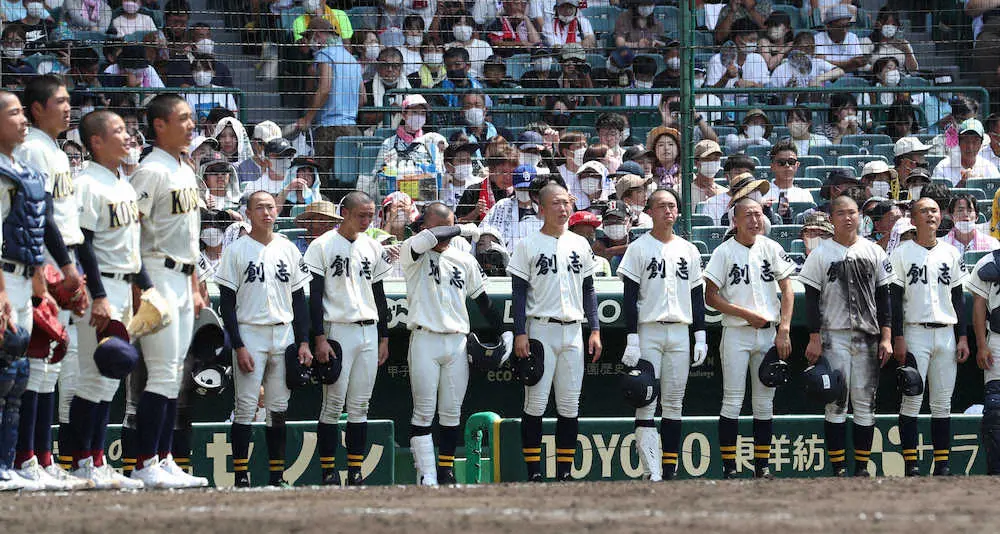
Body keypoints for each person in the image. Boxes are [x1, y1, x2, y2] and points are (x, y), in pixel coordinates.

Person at [64, 110, 156, 490]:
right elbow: (81, 241)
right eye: (118, 130)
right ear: (96, 141)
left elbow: (130, 246)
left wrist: (146, 288)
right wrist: (98, 295)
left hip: (122, 286)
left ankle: (97, 461)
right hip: (100, 289)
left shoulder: (122, 182)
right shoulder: (86, 182)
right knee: (93, 377)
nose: (128, 135)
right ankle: (83, 461)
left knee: (110, 379)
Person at [0, 89, 81, 491]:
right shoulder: (25, 157)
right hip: (18, 271)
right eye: (12, 112)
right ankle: (18, 458)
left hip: (35, 269)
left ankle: (26, 460)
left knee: (32, 371)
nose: (68, 108)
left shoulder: (40, 158)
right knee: (18, 371)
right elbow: (19, 225)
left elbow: (46, 222)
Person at [126, 94, 205, 487]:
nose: (191, 124)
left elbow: (189, 235)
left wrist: (194, 285)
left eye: (191, 119)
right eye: (184, 118)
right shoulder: (150, 171)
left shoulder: (184, 168)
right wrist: (142, 289)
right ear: (160, 125)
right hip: (156, 272)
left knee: (174, 375)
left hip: (182, 274)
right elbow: (130, 231)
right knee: (159, 373)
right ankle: (145, 461)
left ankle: (165, 457)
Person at [401, 203, 510, 485]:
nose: (446, 235)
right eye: (441, 227)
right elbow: (429, 239)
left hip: (457, 342)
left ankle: (446, 471)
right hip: (425, 338)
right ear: (425, 226)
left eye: (449, 226)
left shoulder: (463, 259)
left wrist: (506, 332)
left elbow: (483, 301)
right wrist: (463, 226)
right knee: (423, 411)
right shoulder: (412, 251)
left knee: (451, 412)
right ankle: (426, 474)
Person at [217, 191, 311, 487]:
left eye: (270, 207)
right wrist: (238, 344)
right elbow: (226, 303)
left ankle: (276, 475)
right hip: (250, 332)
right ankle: (242, 476)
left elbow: (300, 300)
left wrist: (304, 341)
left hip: (283, 332)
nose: (267, 213)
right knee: (245, 406)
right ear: (248, 213)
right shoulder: (236, 250)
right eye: (260, 208)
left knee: (278, 408)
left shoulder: (288, 248)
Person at [508, 183, 601, 482]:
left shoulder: (580, 244)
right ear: (542, 208)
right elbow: (518, 293)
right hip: (541, 329)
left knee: (569, 404)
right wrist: (520, 332)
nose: (563, 208)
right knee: (535, 403)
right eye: (557, 203)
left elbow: (589, 289)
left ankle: (564, 472)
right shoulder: (528, 244)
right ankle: (534, 472)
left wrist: (595, 329)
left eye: (567, 203)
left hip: (574, 330)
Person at [799, 195, 894, 477]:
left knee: (865, 403)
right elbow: (811, 299)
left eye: (852, 212)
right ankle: (839, 468)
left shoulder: (874, 251)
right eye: (841, 213)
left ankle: (862, 468)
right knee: (835, 402)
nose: (848, 218)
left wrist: (887, 336)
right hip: (834, 335)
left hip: (867, 336)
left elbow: (885, 296)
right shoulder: (820, 253)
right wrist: (814, 337)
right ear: (832, 219)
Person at [618, 188, 707, 481]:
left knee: (673, 403)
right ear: (650, 211)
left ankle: (669, 470)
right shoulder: (639, 248)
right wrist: (631, 336)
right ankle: (650, 471)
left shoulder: (688, 249)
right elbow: (629, 297)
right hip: (649, 331)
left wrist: (701, 335)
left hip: (680, 331)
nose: (668, 211)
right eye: (662, 206)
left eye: (672, 206)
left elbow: (697, 297)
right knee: (646, 400)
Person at [704, 197, 795, 479]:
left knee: (764, 402)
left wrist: (785, 329)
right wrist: (744, 313)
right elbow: (710, 296)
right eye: (749, 215)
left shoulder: (771, 247)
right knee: (732, 399)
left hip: (769, 332)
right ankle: (730, 467)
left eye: (759, 214)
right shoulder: (723, 251)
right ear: (735, 220)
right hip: (736, 333)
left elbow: (788, 290)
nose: (755, 220)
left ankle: (762, 466)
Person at [305, 191, 392, 486]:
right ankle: (328, 472)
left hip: (369, 327)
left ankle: (355, 472)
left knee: (360, 406)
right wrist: (318, 337)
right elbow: (314, 296)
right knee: (332, 404)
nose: (367, 220)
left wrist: (384, 336)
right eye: (361, 215)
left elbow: (379, 293)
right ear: (345, 213)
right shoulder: (322, 245)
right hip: (337, 329)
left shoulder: (372, 246)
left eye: (370, 215)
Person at [890, 197, 968, 477]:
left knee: (942, 403)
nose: (930, 215)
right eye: (923, 211)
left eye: (934, 210)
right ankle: (911, 464)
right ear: (913, 219)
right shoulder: (901, 253)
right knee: (911, 399)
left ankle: (942, 465)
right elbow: (894, 300)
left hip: (946, 332)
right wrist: (897, 337)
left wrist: (962, 337)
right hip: (914, 332)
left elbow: (958, 298)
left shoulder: (951, 253)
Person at [296, 18, 365, 183]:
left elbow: (325, 88)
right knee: (348, 179)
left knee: (323, 181)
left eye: (310, 36)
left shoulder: (324, 56)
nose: (309, 42)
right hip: (352, 129)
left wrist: (307, 119)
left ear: (318, 35)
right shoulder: (352, 59)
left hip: (328, 130)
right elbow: (362, 98)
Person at [481, 164, 542, 253]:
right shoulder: (502, 205)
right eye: (521, 188)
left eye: (528, 188)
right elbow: (484, 229)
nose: (524, 192)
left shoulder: (543, 208)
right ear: (514, 186)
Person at [931, 118, 1000, 187]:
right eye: (966, 141)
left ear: (981, 144)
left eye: (975, 141)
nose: (970, 147)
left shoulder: (990, 168)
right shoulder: (943, 167)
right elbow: (936, 195)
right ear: (959, 142)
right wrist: (962, 183)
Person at [764, 140, 817, 222]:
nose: (787, 165)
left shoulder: (805, 195)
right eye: (781, 162)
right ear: (772, 166)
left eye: (791, 162)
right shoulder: (763, 192)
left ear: (797, 165)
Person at [702, 155, 756, 225]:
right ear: (727, 176)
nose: (743, 176)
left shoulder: (757, 199)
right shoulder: (711, 203)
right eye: (738, 173)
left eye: (747, 172)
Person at [814, 4, 869, 73]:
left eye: (847, 26)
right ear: (829, 26)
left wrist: (828, 63)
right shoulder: (819, 38)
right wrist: (848, 64)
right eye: (840, 26)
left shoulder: (852, 37)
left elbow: (858, 63)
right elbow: (819, 63)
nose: (844, 30)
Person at [445, 12, 493, 79]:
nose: (462, 27)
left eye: (466, 24)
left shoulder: (484, 46)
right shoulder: (446, 47)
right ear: (452, 27)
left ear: (472, 28)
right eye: (458, 24)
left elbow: (490, 70)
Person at [567, 210, 612, 276]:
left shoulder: (602, 263)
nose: (586, 237)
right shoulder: (563, 260)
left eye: (590, 234)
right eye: (581, 234)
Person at [691, 140, 726, 206]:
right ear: (696, 162)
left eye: (716, 159)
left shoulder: (725, 193)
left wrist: (718, 199)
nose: (712, 162)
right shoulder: (682, 192)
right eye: (707, 159)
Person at [647, 126, 680, 190]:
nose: (666, 148)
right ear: (654, 150)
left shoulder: (686, 174)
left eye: (670, 144)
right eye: (661, 145)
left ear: (678, 149)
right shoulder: (648, 174)